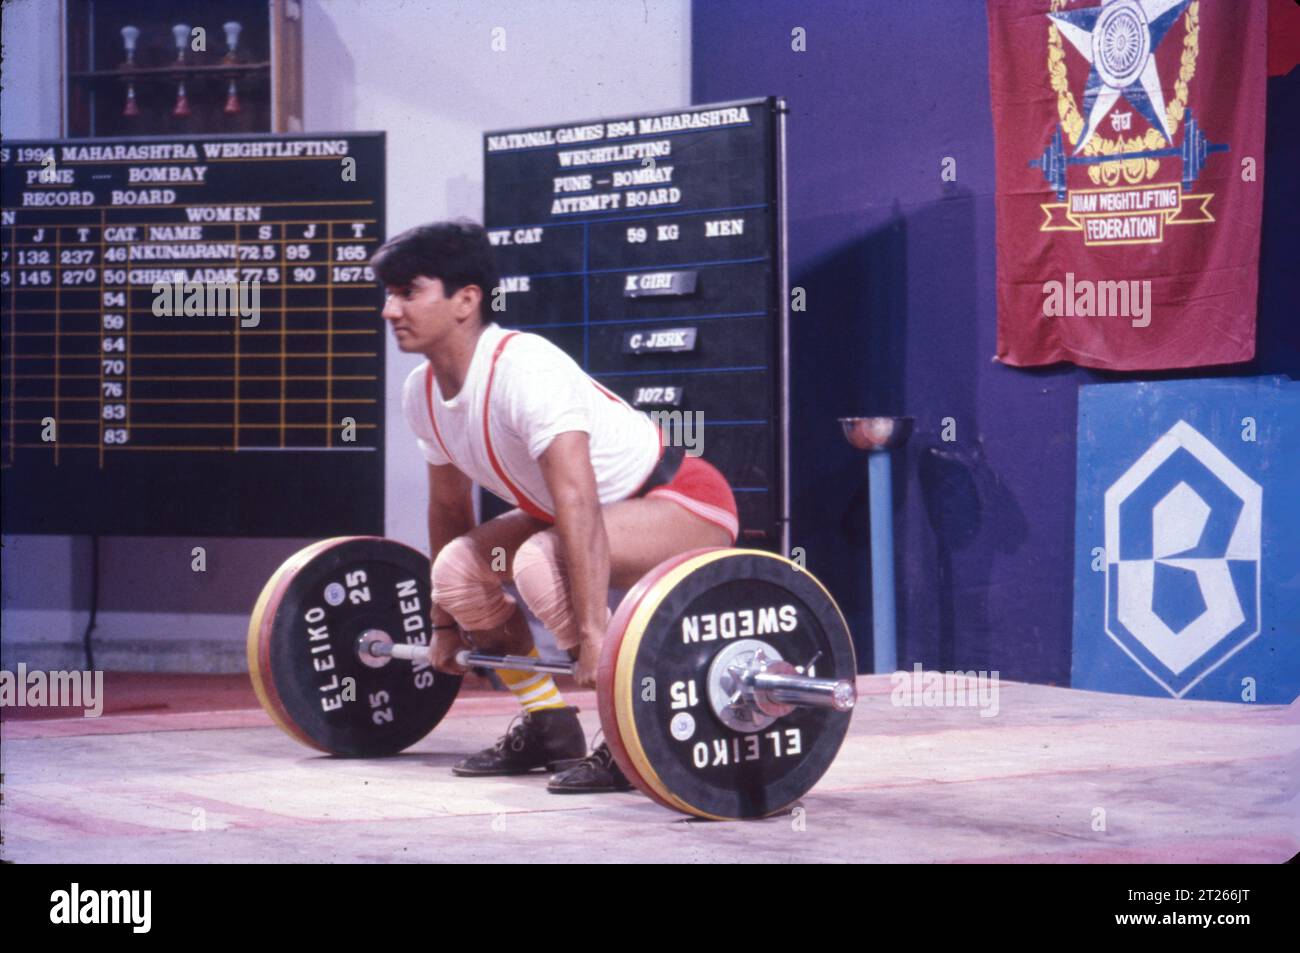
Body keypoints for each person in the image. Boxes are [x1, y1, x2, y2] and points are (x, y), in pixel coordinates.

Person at [372, 220, 739, 793]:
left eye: (408, 293)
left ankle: (635, 734)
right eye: (389, 295)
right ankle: (550, 725)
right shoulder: (420, 392)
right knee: (458, 571)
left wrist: (594, 633)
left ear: (466, 300)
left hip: (681, 503)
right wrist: (444, 620)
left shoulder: (526, 369)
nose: (391, 311)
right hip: (582, 519)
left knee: (542, 563)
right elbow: (448, 510)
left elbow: (576, 501)